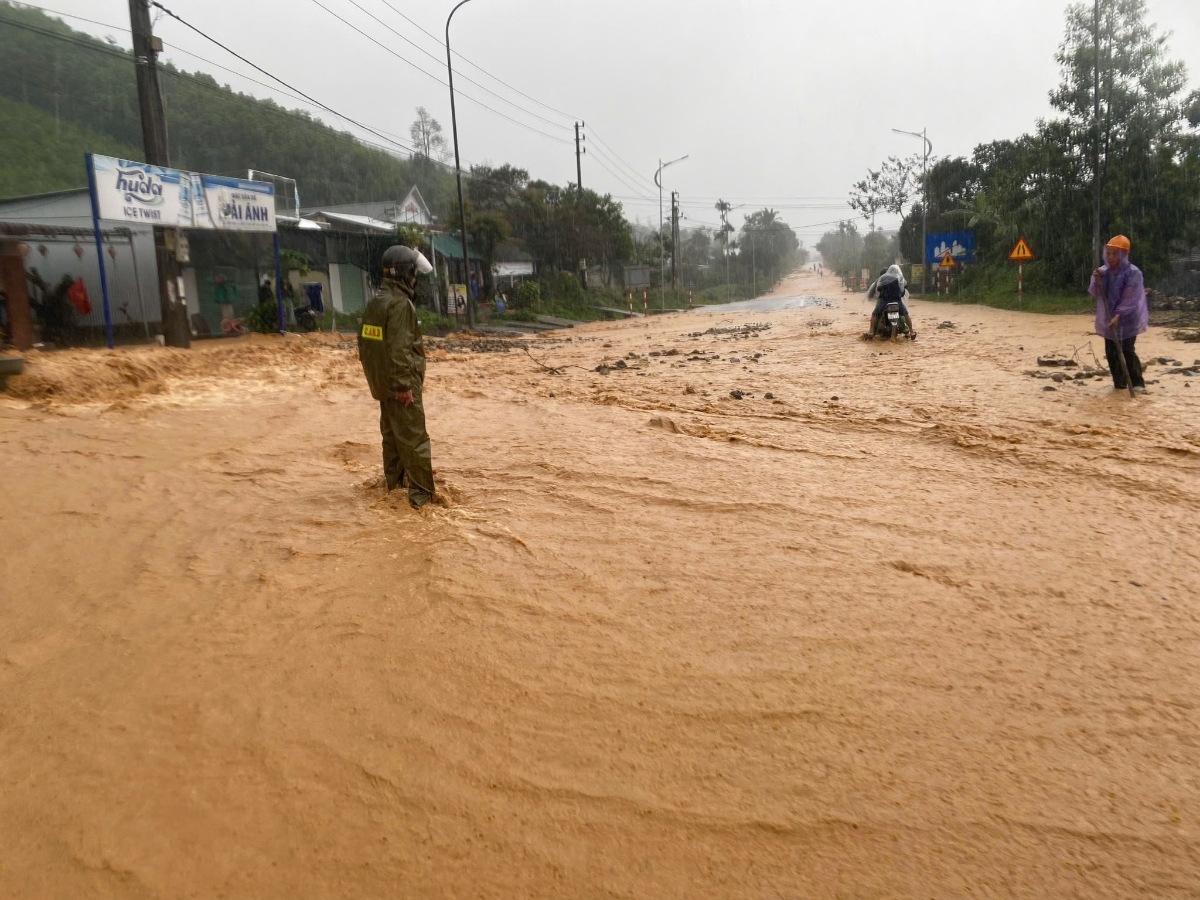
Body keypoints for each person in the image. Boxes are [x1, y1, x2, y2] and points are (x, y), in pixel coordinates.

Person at [358, 244, 436, 509]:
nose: (415, 277)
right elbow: (400, 348)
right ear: (405, 274)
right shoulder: (400, 305)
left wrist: (385, 384)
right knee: (414, 440)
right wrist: (404, 385)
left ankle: (393, 491)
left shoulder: (376, 303)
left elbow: (368, 348)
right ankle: (422, 500)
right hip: (402, 385)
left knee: (391, 439)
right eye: (413, 272)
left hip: (384, 386)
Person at [1089, 235, 1147, 392]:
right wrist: (1096, 279)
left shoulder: (1133, 273)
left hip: (1128, 319)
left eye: (1115, 254)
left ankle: (1137, 383)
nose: (1111, 257)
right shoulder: (1104, 272)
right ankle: (1119, 385)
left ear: (1123, 255)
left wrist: (1118, 316)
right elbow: (1095, 292)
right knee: (1111, 352)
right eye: (1109, 253)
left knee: (1127, 349)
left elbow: (1130, 298)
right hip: (1109, 318)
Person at [868, 264, 915, 339]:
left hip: (885, 301)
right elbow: (904, 287)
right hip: (897, 301)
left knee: (875, 314)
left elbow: (879, 288)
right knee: (906, 314)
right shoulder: (899, 278)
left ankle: (871, 330)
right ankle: (912, 331)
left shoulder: (884, 278)